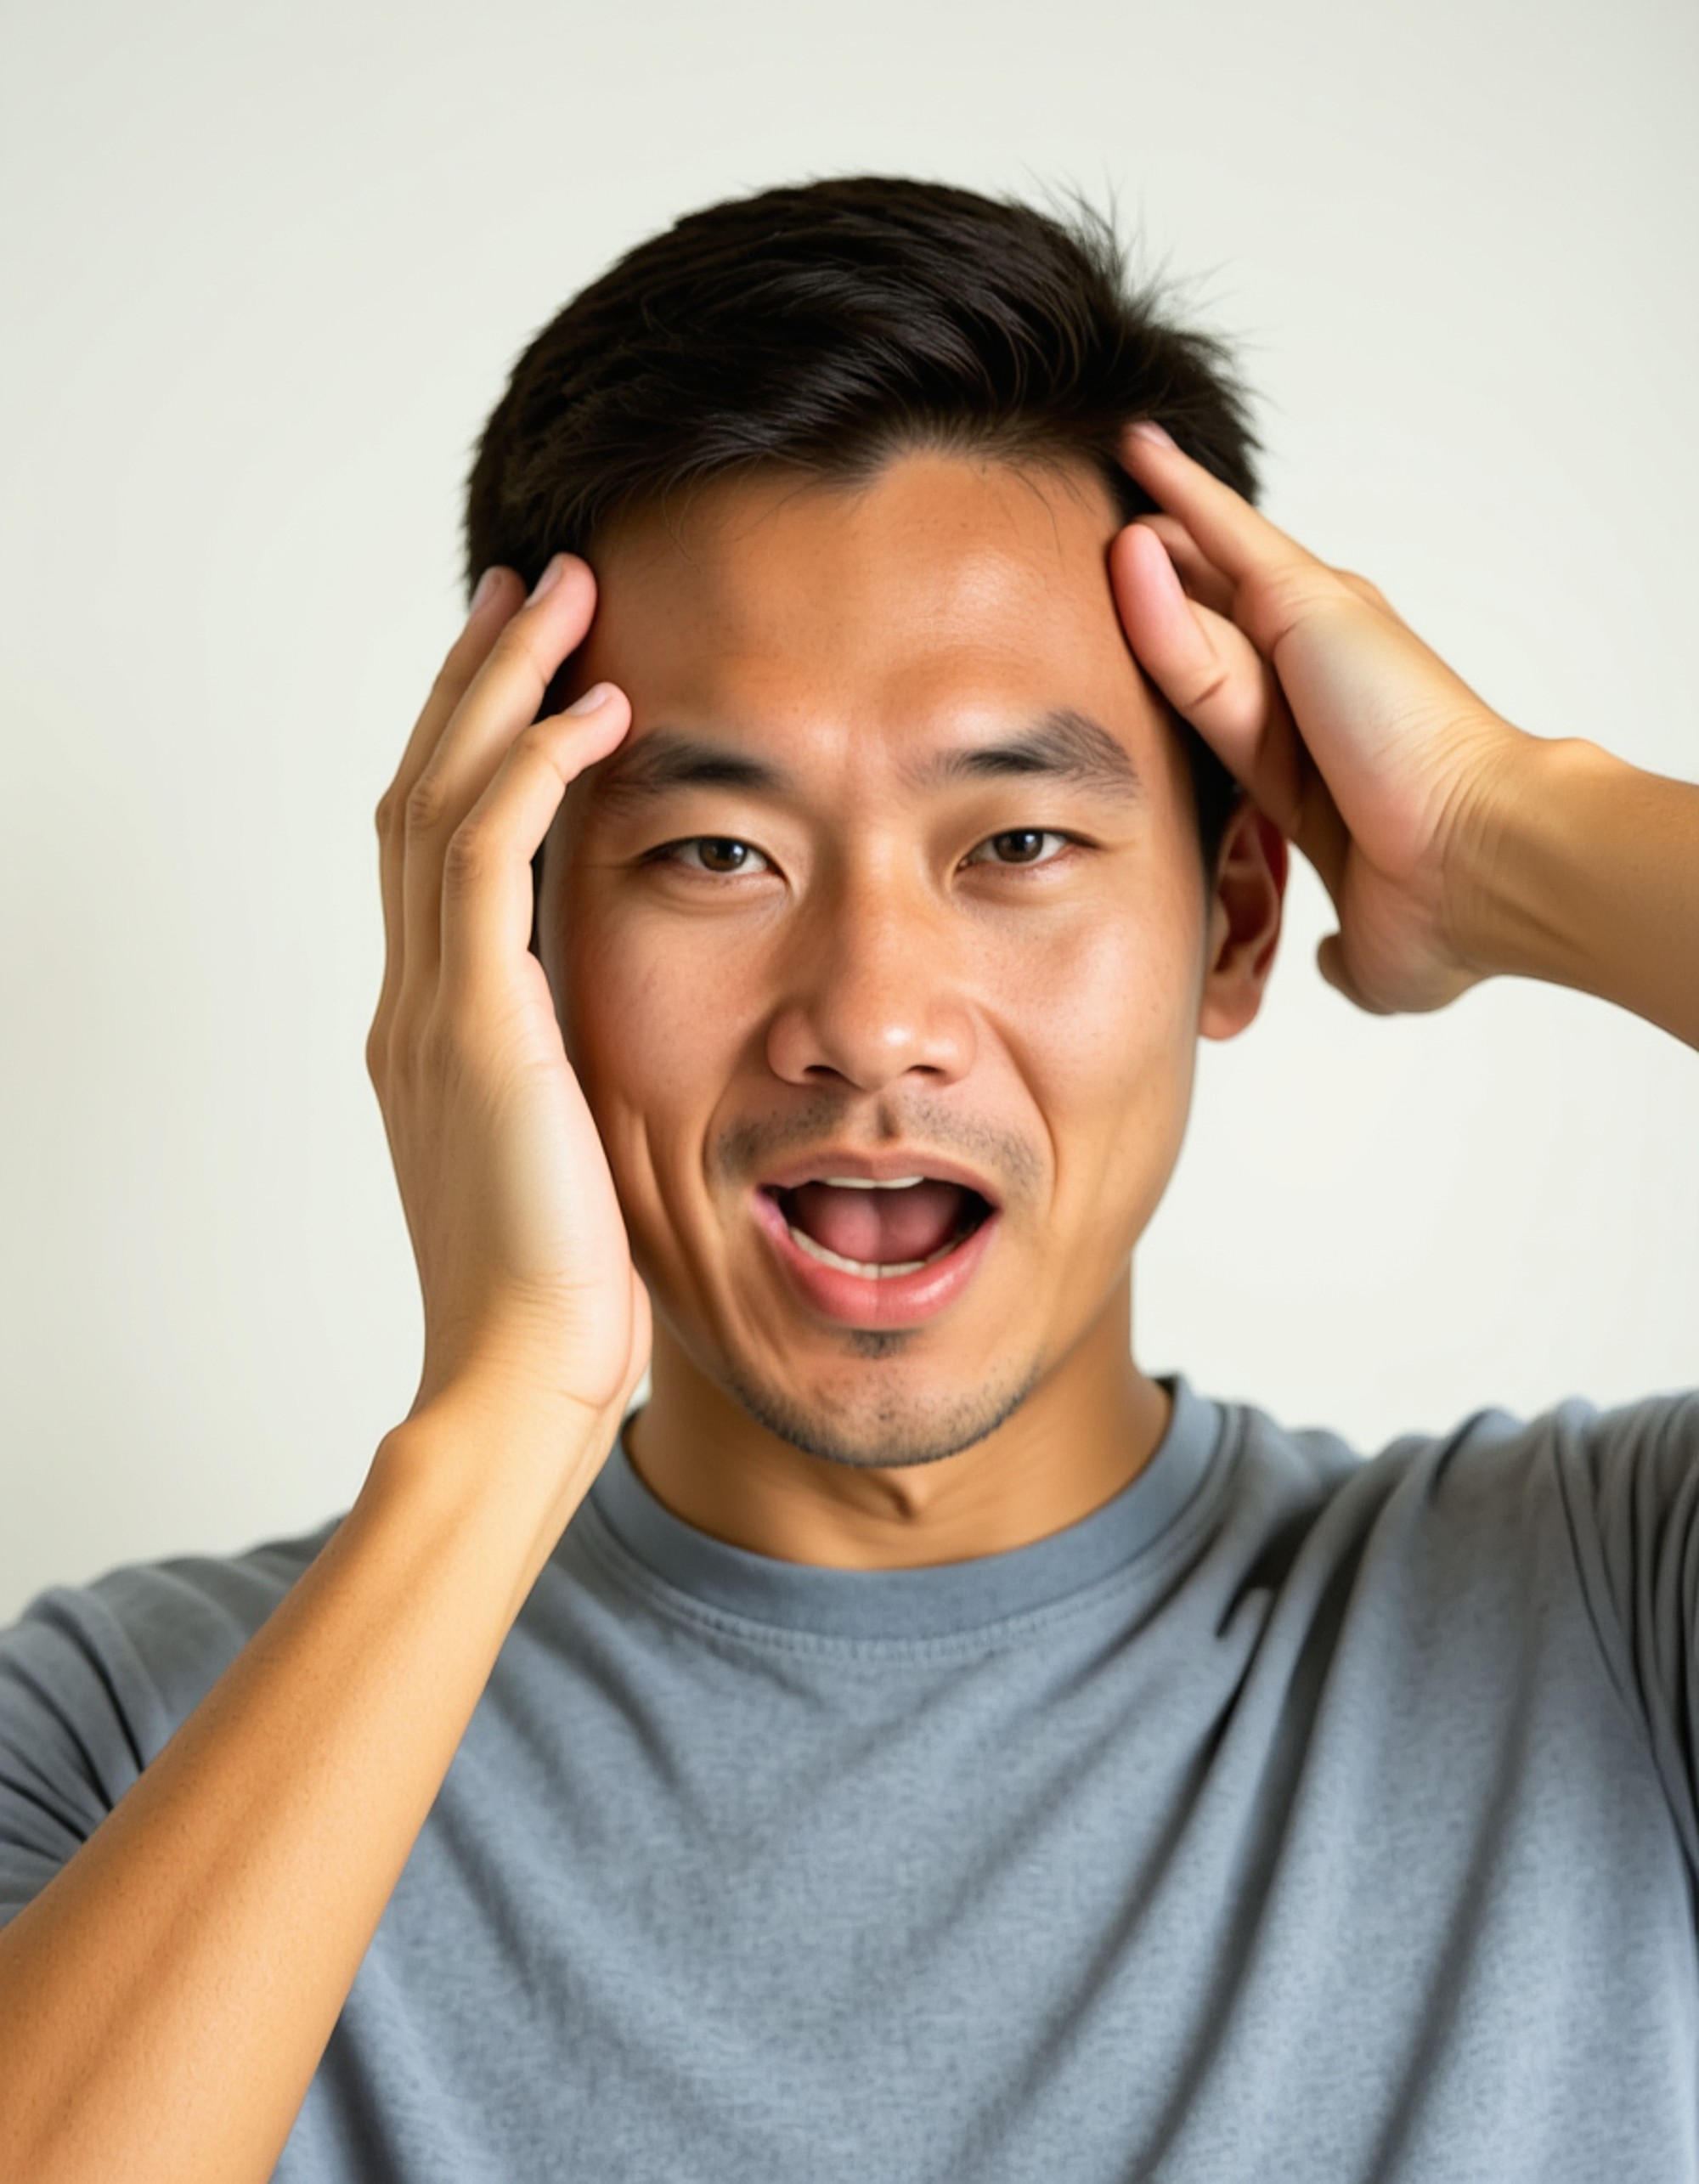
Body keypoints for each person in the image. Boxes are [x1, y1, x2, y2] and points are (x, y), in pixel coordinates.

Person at [1, 175, 1695, 2184]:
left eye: (1017, 845)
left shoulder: (1613, 1618)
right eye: (717, 854)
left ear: (1235, 923)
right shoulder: (127, 1733)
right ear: (514, 949)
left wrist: (1513, 827)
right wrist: (503, 1412)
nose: (871, 1016)